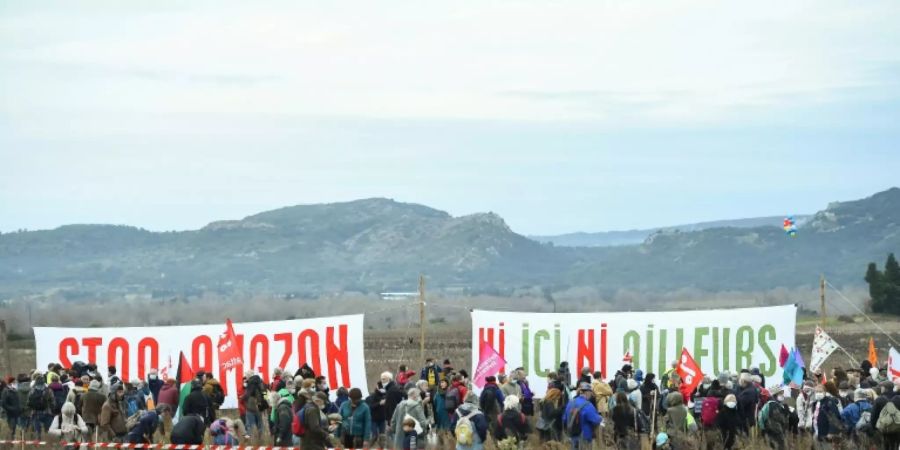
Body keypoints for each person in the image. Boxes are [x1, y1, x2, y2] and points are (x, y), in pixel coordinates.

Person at [562, 383, 603, 450]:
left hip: (572, 436)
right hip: (585, 436)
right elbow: (595, 420)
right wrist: (600, 418)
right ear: (587, 392)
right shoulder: (588, 405)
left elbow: (564, 418)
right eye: (590, 392)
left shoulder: (570, 403)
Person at [241, 371, 266, 442]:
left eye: (246, 377)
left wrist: (242, 399)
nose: (246, 379)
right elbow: (265, 392)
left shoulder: (251, 383)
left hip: (251, 407)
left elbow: (247, 394)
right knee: (260, 426)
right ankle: (261, 441)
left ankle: (251, 443)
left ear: (249, 376)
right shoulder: (261, 382)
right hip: (260, 407)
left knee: (250, 425)